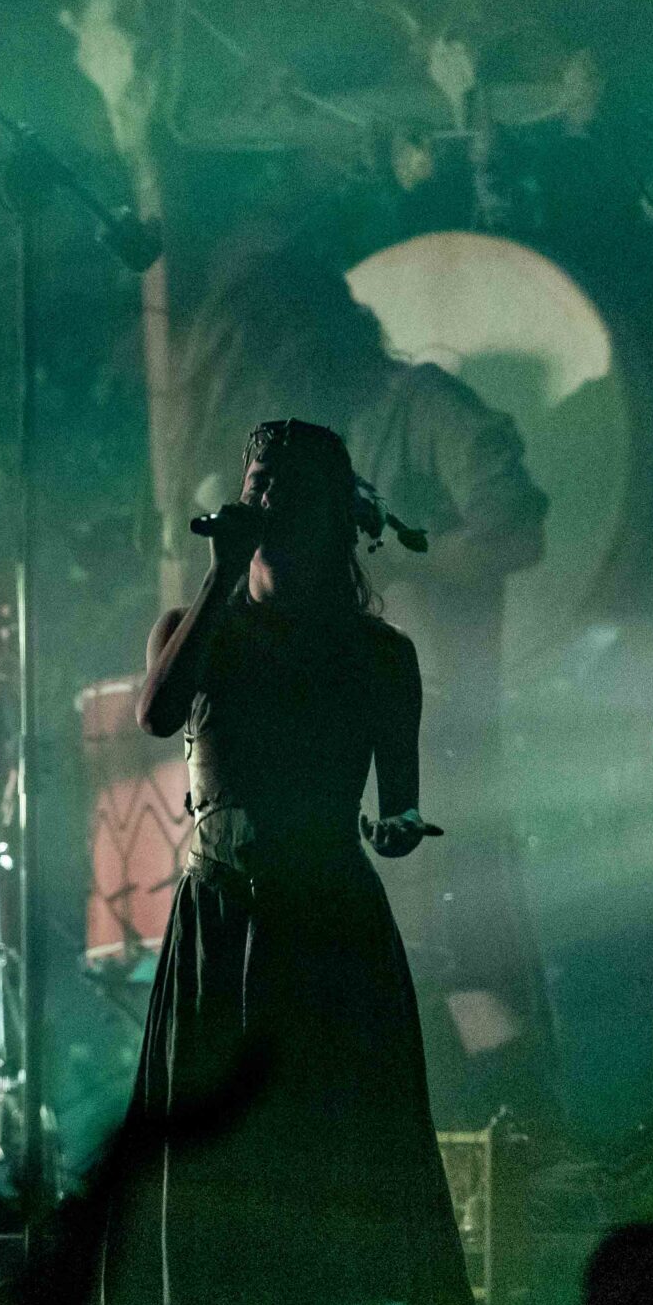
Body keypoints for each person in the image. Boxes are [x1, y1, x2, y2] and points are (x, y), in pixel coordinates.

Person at [173, 241, 556, 1133]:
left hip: (425, 731)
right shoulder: (284, 446)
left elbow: (517, 529)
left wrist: (392, 563)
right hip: (298, 769)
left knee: (458, 958)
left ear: (307, 334)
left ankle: (509, 1140)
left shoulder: (421, 407)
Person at [123, 418, 470, 1305]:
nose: (267, 496)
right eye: (257, 479)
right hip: (219, 920)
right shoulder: (193, 629)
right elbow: (156, 714)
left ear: (329, 515)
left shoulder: (381, 655)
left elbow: (399, 800)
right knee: (218, 1156)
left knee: (330, 1153)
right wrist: (219, 576)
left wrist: (395, 828)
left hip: (327, 930)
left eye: (288, 486)